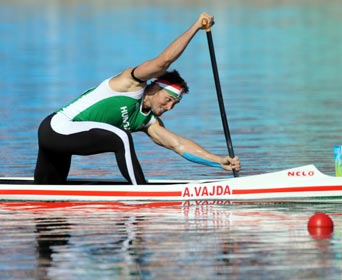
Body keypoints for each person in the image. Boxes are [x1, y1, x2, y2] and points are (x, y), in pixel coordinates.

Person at [34, 13, 240, 185]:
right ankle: (141, 193)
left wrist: (218, 161)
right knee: (121, 137)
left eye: (174, 104)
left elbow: (178, 145)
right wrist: (196, 26)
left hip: (63, 141)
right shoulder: (131, 83)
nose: (169, 107)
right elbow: (164, 61)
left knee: (47, 200)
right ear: (155, 85)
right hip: (56, 129)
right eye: (168, 99)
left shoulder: (147, 121)